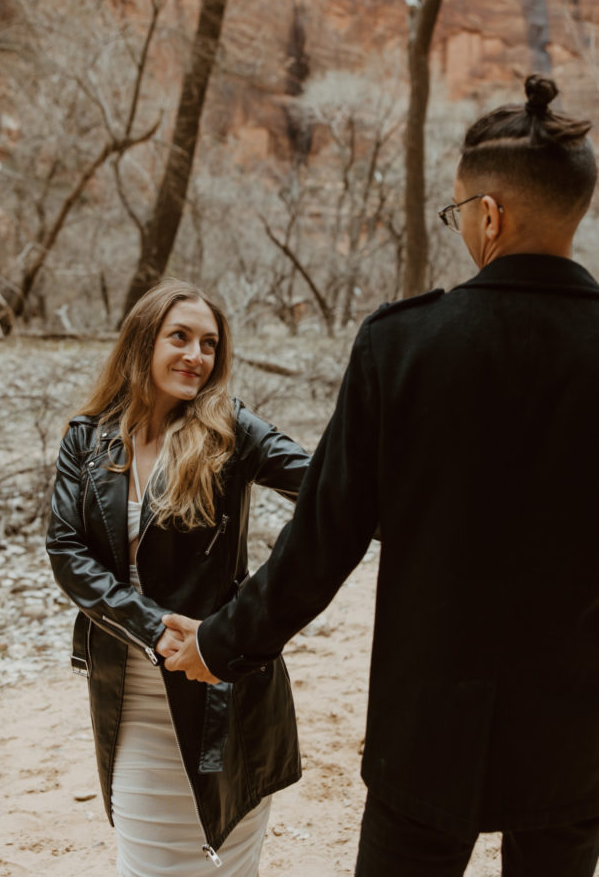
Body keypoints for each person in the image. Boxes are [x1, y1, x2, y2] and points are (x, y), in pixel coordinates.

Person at [160, 76, 599, 877]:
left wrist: (223, 643)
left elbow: (323, 539)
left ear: (488, 215)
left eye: (459, 212)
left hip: (425, 731)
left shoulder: (404, 346)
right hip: (576, 731)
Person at [46, 279, 310, 876]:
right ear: (143, 342)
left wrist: (259, 607)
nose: (197, 356)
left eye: (210, 344)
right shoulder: (87, 439)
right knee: (146, 863)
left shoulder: (231, 432)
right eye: (181, 337)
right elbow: (66, 549)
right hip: (130, 695)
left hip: (224, 695)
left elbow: (330, 491)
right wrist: (151, 628)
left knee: (227, 867)